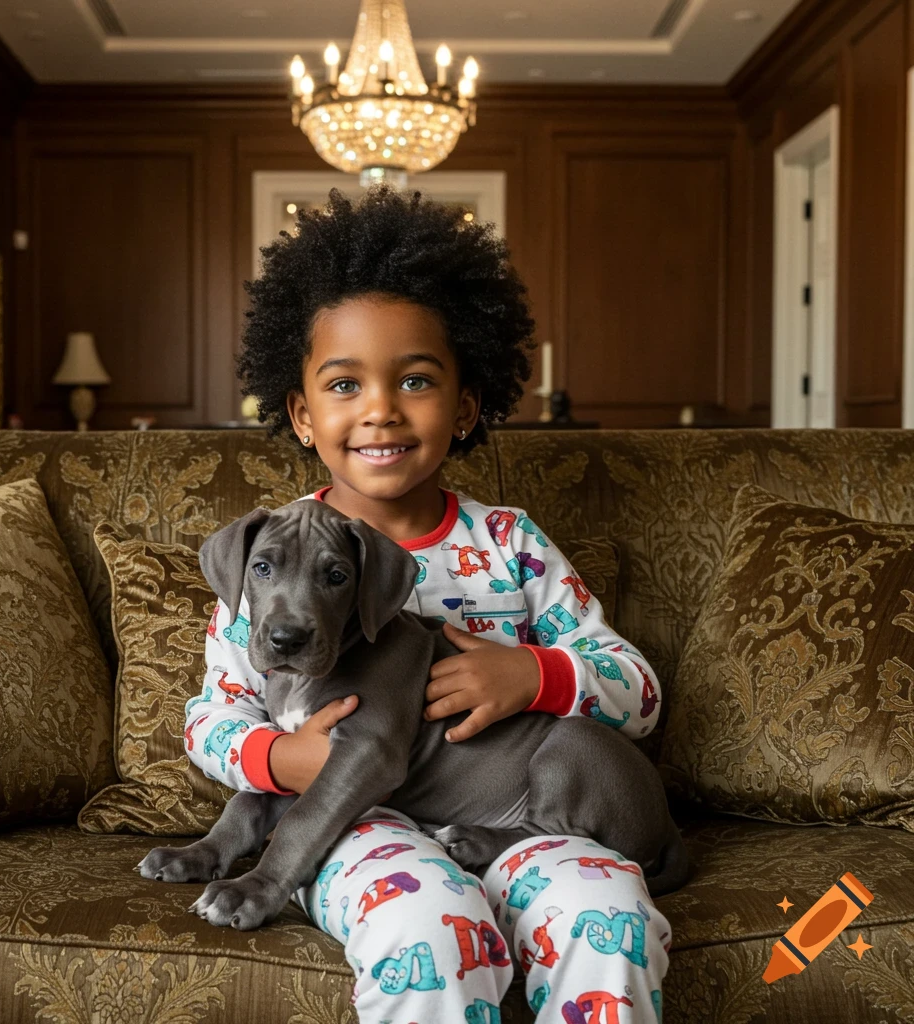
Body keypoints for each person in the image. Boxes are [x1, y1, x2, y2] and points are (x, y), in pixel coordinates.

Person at [184, 186, 671, 1023]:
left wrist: (534, 674)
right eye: (344, 385)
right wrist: (278, 762)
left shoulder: (513, 544)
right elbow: (209, 720)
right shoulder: (263, 563)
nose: (379, 408)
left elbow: (639, 689)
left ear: (467, 407)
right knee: (427, 935)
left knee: (609, 921)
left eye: (414, 379)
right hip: (361, 826)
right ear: (301, 414)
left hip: (535, 822)